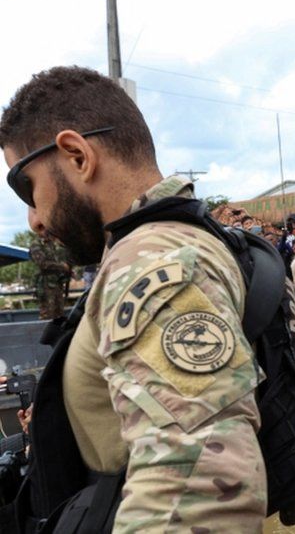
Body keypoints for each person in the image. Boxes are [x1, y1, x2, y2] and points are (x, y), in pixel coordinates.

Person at [0, 66, 266, 531]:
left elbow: (201, 486)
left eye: (26, 186)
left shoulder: (153, 262)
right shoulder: (164, 244)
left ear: (77, 156)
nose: (35, 219)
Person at [29, 236, 71, 320]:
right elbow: (42, 264)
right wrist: (62, 266)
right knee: (47, 315)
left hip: (57, 282)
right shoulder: (36, 244)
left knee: (59, 314)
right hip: (45, 284)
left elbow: (60, 258)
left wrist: (67, 270)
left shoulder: (53, 244)